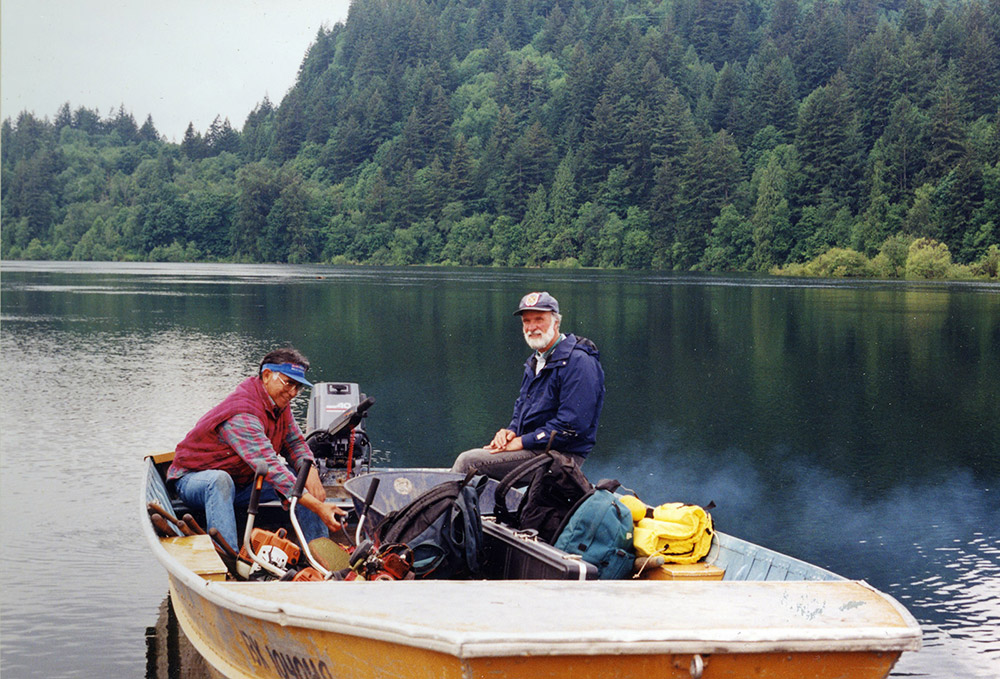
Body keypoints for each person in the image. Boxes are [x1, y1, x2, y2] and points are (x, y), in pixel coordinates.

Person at [167, 347, 346, 550]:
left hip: (242, 482)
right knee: (219, 481)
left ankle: (320, 555)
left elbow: (295, 443)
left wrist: (310, 471)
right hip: (194, 481)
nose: (293, 393)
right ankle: (228, 557)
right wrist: (320, 507)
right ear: (267, 376)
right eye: (289, 383)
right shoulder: (242, 413)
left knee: (300, 478)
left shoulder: (279, 406)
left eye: (298, 387)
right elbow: (269, 465)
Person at [451, 291, 605, 479]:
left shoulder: (578, 362)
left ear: (556, 322)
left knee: (468, 462)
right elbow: (522, 407)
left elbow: (571, 427)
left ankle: (445, 509)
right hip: (537, 448)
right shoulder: (536, 360)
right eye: (526, 321)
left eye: (539, 319)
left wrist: (523, 441)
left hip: (561, 457)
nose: (532, 327)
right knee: (482, 462)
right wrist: (510, 431)